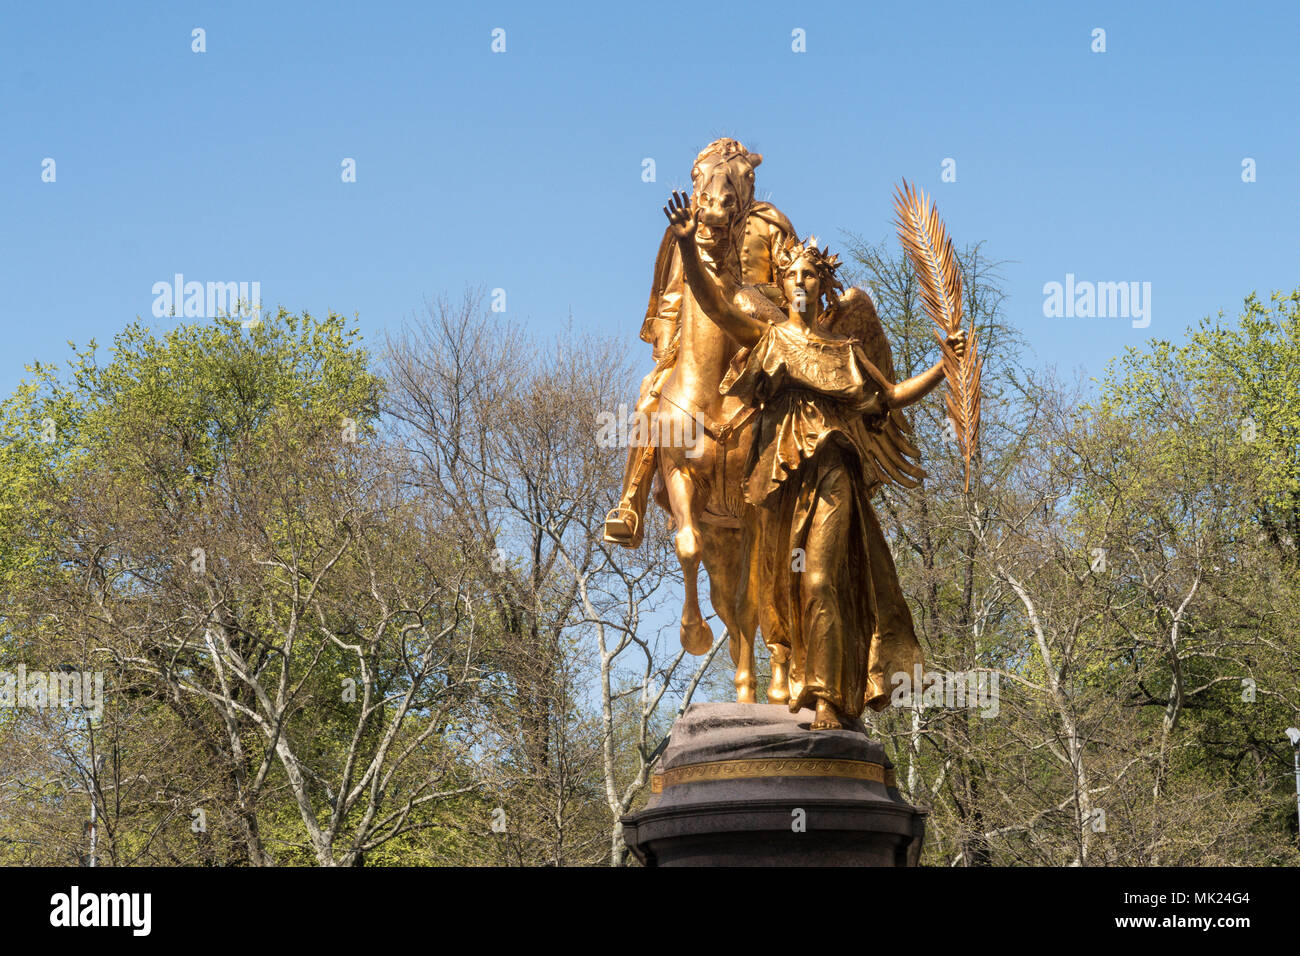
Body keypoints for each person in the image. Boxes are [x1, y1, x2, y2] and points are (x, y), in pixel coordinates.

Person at [663, 190, 968, 729]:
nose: (801, 284)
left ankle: (829, 697)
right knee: (783, 587)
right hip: (780, 484)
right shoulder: (769, 338)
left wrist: (946, 367)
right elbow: (712, 304)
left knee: (822, 578)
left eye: (810, 276)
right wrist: (688, 245)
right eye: (793, 275)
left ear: (822, 285)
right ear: (781, 283)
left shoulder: (843, 351)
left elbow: (891, 397)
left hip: (831, 474)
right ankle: (799, 676)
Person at [603, 137, 794, 549]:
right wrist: (666, 350)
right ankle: (630, 502)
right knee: (648, 397)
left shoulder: (770, 223)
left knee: (802, 401)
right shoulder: (684, 228)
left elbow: (794, 283)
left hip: (758, 335)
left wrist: (765, 304)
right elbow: (671, 296)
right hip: (696, 342)